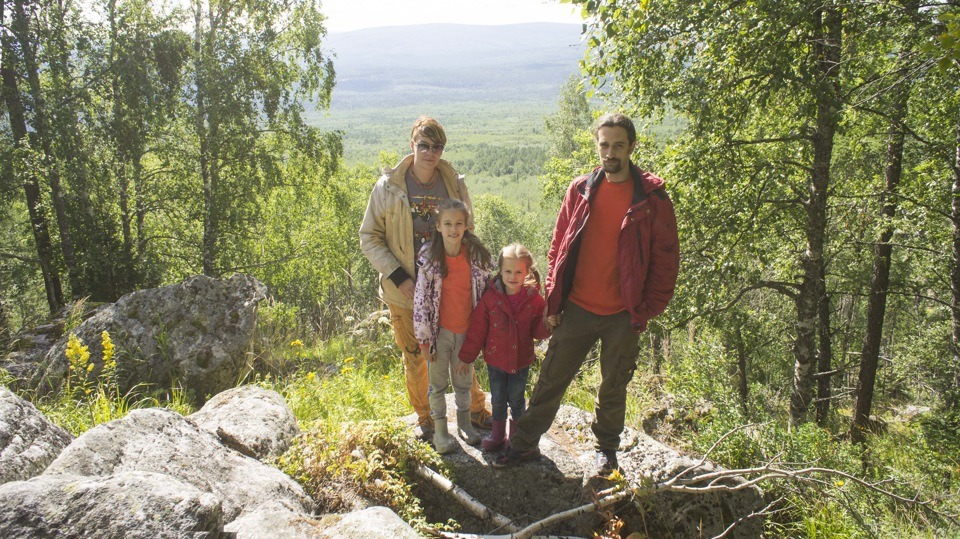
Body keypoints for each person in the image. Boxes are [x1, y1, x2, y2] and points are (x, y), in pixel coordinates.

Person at [494, 113, 680, 472]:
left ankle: (606, 451)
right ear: (597, 145)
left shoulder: (653, 200)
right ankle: (524, 445)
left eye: (618, 145)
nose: (610, 152)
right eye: (604, 144)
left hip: (622, 314)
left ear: (632, 147)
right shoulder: (580, 190)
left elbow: (666, 260)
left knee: (613, 386)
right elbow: (557, 248)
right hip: (576, 309)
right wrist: (553, 297)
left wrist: (644, 310)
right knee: (550, 380)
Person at [359, 117, 493, 441]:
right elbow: (369, 237)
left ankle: (476, 410)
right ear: (412, 145)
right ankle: (426, 419)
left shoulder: (453, 183)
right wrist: (400, 277)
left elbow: (467, 229)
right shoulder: (389, 187)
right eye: (424, 145)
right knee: (417, 355)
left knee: (463, 347)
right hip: (403, 290)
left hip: (450, 288)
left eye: (437, 146)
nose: (430, 152)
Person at [413, 199, 493, 453]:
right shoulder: (429, 258)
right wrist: (425, 340)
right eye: (447, 224)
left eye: (459, 223)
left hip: (467, 333)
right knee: (437, 385)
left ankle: (464, 424)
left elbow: (487, 295)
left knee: (463, 382)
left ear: (466, 225)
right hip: (439, 335)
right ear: (437, 226)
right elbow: (421, 302)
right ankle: (440, 433)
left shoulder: (477, 258)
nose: (453, 229)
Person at [457, 243, 551, 452]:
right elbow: (477, 329)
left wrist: (547, 324)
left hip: (520, 361)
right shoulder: (491, 297)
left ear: (527, 272)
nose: (513, 276)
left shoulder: (534, 299)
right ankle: (497, 435)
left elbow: (537, 331)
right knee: (498, 400)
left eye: (519, 271)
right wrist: (466, 356)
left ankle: (516, 437)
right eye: (508, 271)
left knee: (517, 400)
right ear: (500, 270)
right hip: (496, 360)